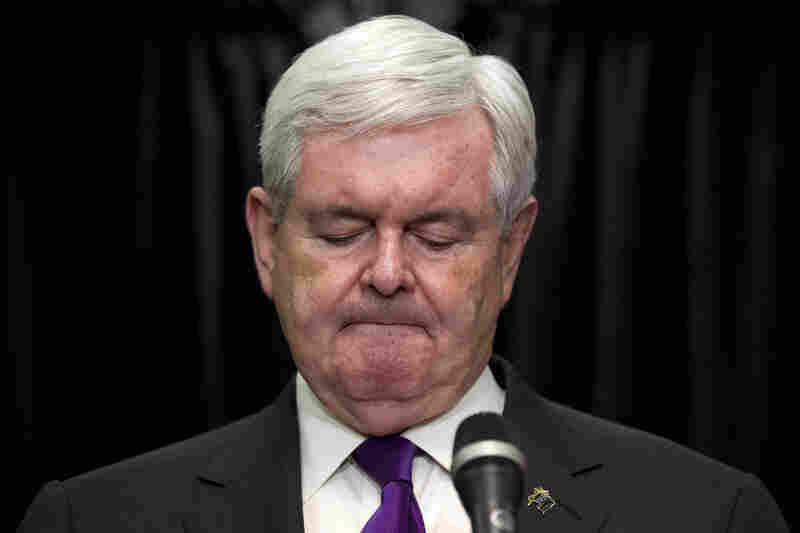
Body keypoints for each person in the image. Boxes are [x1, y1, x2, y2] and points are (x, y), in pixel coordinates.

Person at [19, 15, 787, 533]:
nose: (387, 273)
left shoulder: (704, 515)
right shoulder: (92, 520)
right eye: (342, 230)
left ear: (511, 250)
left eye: (436, 235)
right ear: (266, 241)